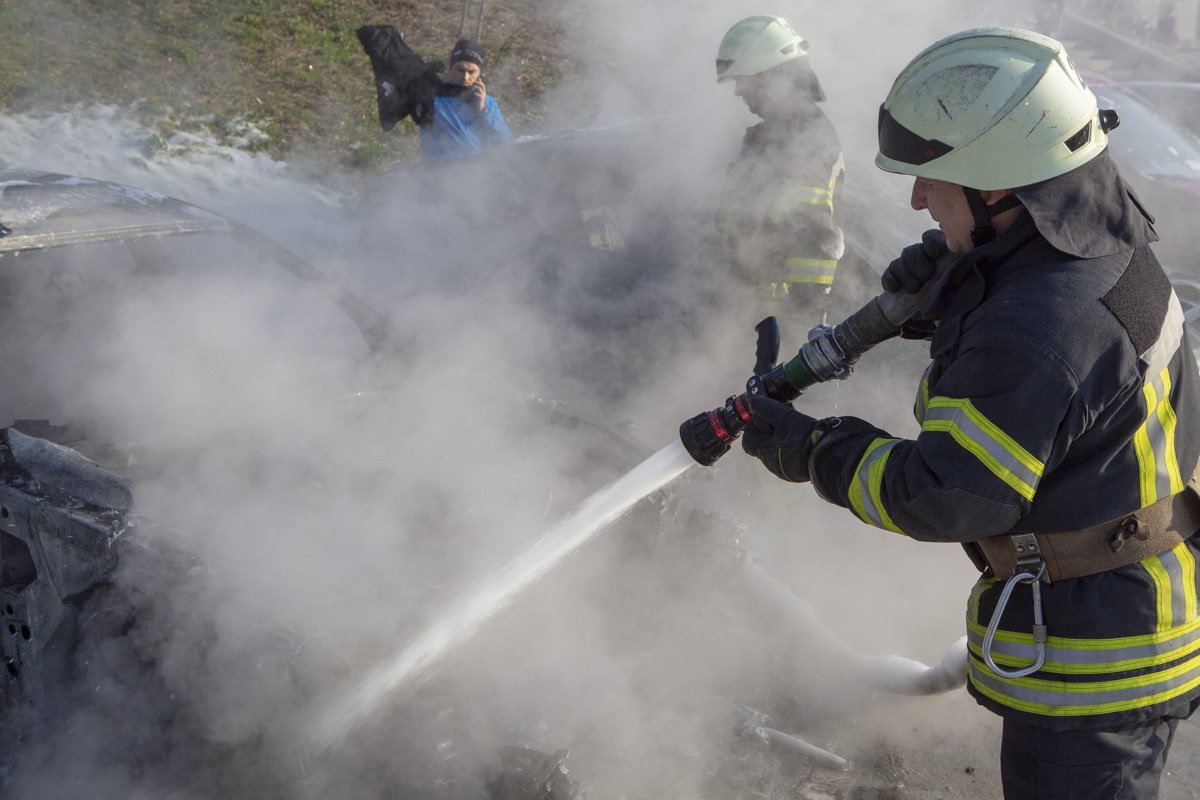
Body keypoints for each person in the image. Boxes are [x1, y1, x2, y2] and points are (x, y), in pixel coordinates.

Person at [735, 27, 1200, 799]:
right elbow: (1074, 384)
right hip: (1133, 609)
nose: (917, 197)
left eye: (934, 178)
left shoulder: (1042, 323)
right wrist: (961, 285)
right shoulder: (1100, 244)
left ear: (1001, 184)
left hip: (1099, 660)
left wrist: (809, 447)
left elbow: (944, 492)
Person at [711, 15, 845, 317]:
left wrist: (801, 333)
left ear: (776, 77)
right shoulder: (765, 139)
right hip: (747, 320)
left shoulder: (808, 142)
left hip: (777, 327)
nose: (738, 91)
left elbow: (816, 242)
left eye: (744, 80)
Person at [419, 38, 512, 160]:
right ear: (451, 69)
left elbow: (505, 140)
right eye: (460, 70)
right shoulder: (434, 97)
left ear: (479, 74)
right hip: (438, 171)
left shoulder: (487, 102)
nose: (465, 77)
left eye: (471, 71)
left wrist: (482, 110)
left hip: (472, 172)